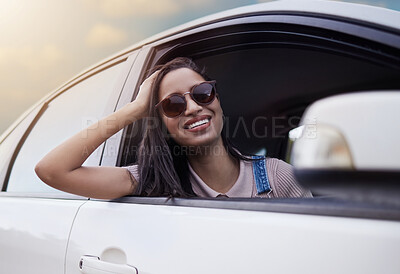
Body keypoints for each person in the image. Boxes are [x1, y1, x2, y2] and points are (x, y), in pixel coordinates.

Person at [35, 57, 311, 199]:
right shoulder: (151, 181)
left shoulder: (279, 177)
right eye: (173, 104)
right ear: (162, 125)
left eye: (202, 93)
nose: (192, 108)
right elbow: (52, 171)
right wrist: (134, 109)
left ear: (218, 101)